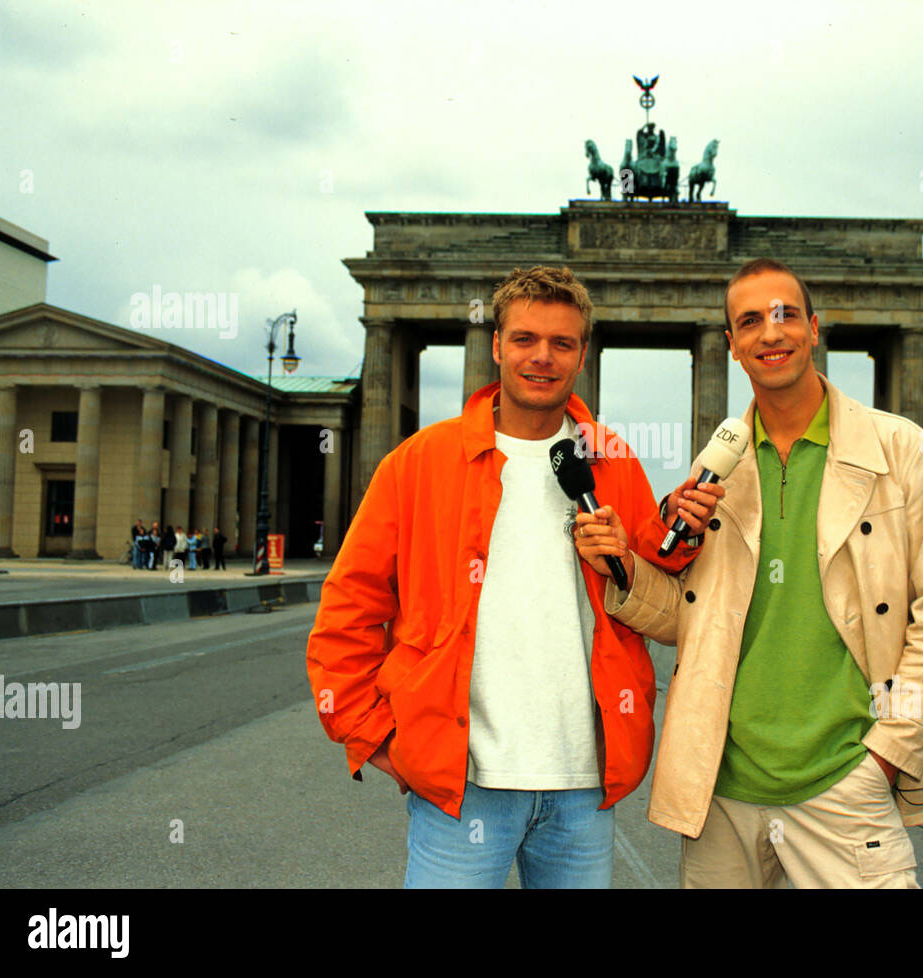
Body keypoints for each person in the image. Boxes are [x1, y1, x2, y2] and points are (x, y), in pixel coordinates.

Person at [306, 265, 721, 889]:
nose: (542, 357)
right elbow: (348, 609)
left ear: (583, 354)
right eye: (525, 339)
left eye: (562, 343)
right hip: (463, 786)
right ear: (496, 345)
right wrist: (377, 737)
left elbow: (656, 590)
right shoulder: (418, 463)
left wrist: (679, 533)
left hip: (584, 785)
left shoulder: (611, 460)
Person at [575, 258, 923, 888]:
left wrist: (889, 756)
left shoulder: (902, 451)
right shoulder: (717, 471)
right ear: (730, 346)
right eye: (750, 321)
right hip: (725, 791)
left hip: (846, 782)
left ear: (814, 329)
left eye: (786, 314)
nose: (771, 332)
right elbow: (692, 619)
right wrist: (624, 567)